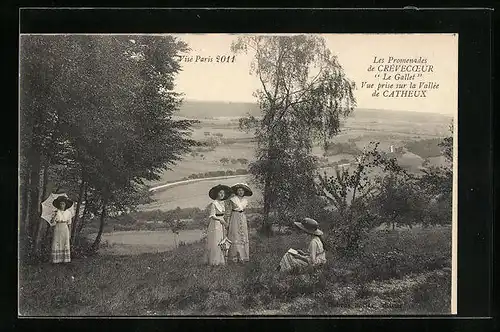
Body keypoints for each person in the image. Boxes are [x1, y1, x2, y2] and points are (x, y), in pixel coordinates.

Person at [205, 184, 232, 266]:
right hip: (215, 223)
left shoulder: (223, 203)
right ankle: (215, 261)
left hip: (222, 222)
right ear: (217, 194)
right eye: (220, 193)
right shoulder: (214, 203)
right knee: (216, 240)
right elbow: (212, 215)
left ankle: (222, 259)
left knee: (222, 239)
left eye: (223, 193)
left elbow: (224, 214)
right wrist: (220, 220)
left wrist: (225, 220)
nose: (221, 195)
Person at [227, 183, 252, 263]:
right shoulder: (233, 199)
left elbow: (245, 211)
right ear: (236, 191)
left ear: (244, 192)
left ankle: (243, 256)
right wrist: (227, 221)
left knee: (243, 235)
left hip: (242, 217)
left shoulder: (245, 200)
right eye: (239, 190)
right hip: (234, 217)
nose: (240, 192)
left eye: (242, 190)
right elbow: (229, 211)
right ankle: (234, 257)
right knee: (235, 234)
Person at [50, 196, 74, 264]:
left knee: (65, 243)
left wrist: (69, 233)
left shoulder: (68, 213)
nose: (62, 205)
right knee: (56, 242)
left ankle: (65, 260)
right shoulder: (56, 212)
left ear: (65, 204)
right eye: (60, 204)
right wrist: (54, 216)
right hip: (57, 228)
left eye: (63, 204)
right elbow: (51, 222)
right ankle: (56, 260)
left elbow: (69, 224)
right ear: (58, 204)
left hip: (65, 228)